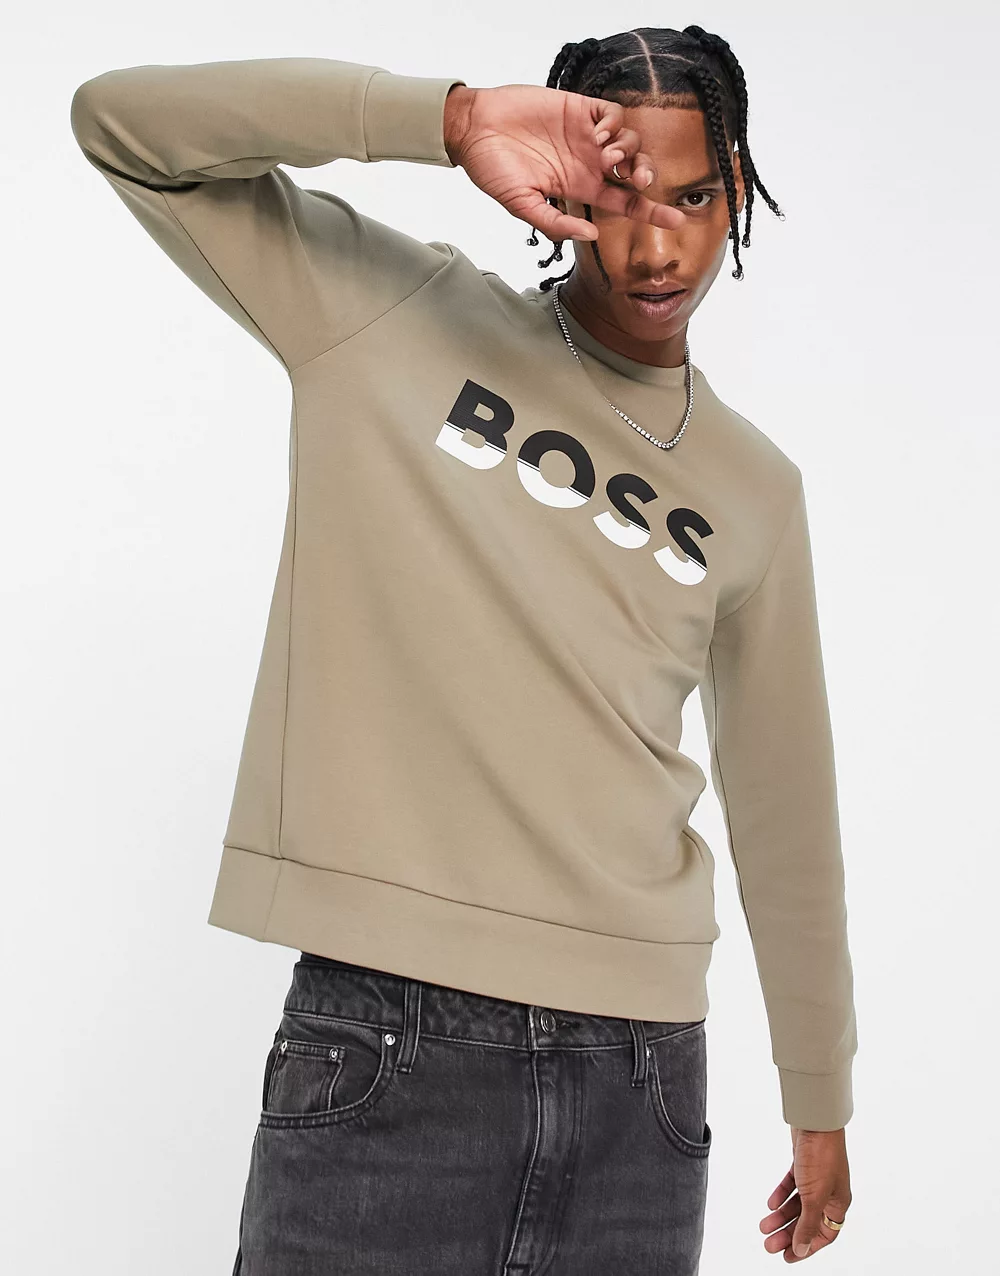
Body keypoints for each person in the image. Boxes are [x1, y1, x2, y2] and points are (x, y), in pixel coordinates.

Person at [69, 24, 856, 1274]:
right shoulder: (389, 315)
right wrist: (444, 119)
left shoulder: (757, 489)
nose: (655, 246)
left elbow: (784, 806)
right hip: (388, 1046)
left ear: (740, 191)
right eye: (619, 192)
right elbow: (121, 125)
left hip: (643, 1083)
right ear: (563, 181)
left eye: (694, 196)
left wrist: (819, 1095)